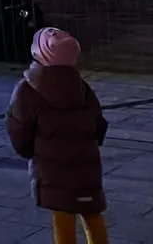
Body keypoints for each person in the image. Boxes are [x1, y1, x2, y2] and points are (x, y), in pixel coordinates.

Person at [6, 27, 109, 244]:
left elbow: (18, 127)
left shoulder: (28, 88)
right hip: (85, 163)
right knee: (91, 212)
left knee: (62, 213)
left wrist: (29, 151)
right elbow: (98, 123)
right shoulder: (82, 87)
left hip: (52, 167)